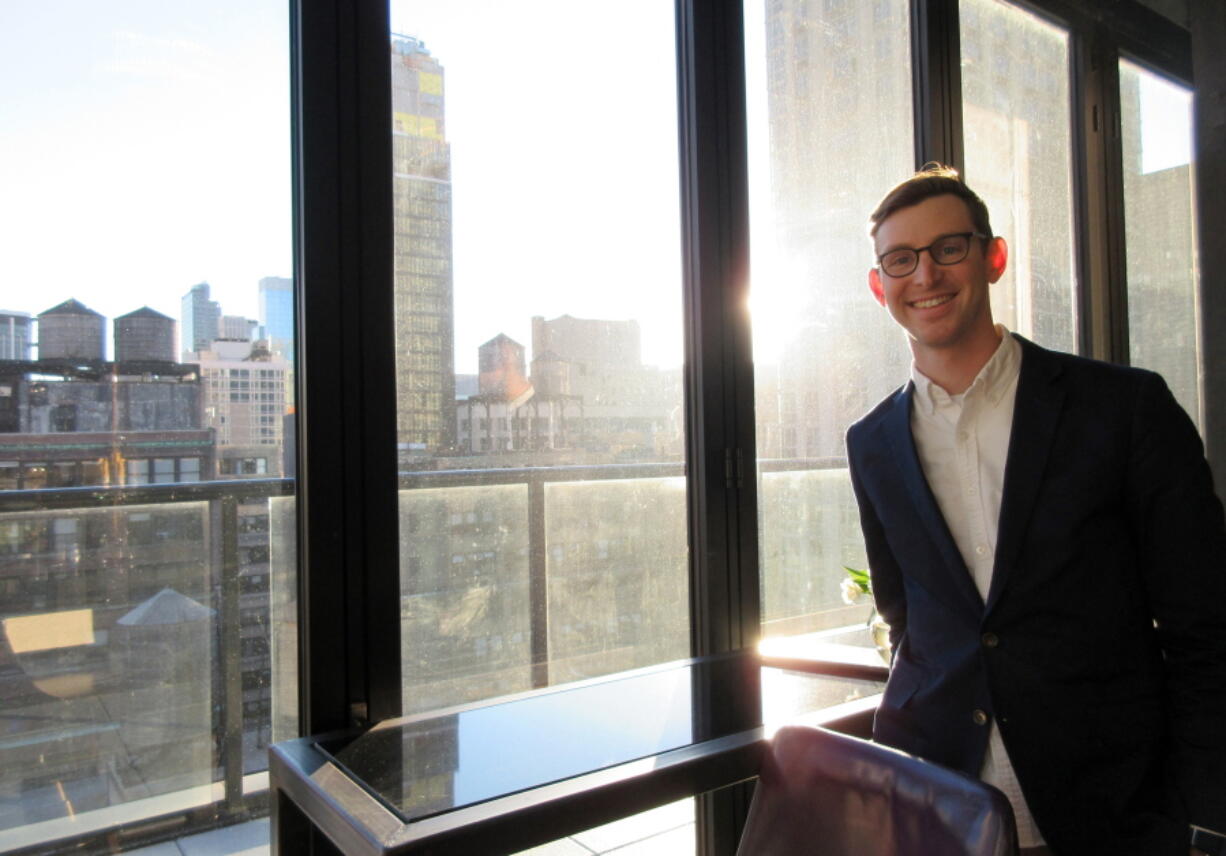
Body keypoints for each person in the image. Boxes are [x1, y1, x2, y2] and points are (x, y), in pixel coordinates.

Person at [845, 164, 1226, 855]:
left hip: (1114, 811)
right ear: (880, 287)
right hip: (937, 805)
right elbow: (908, 621)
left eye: (948, 249)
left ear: (993, 257)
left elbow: (1206, 625)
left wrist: (1205, 816)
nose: (925, 274)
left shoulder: (1126, 409)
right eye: (901, 260)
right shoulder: (870, 443)